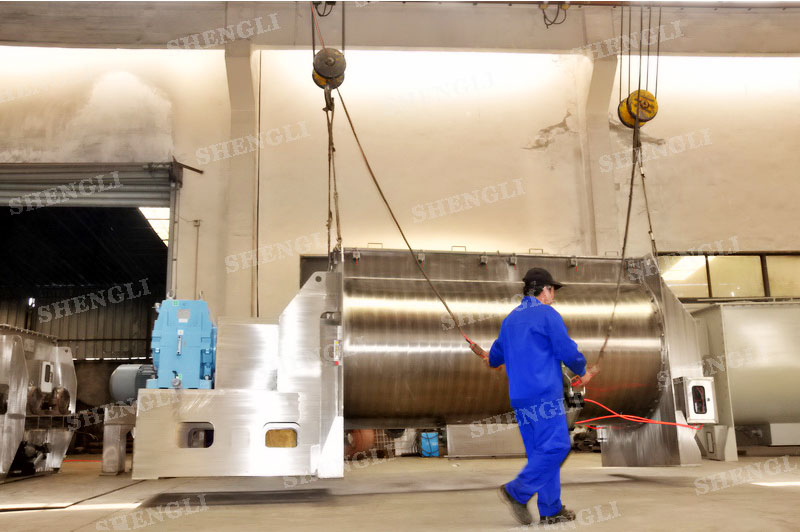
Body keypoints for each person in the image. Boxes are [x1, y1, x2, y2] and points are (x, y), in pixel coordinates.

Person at [470, 267, 588, 526]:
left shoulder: (510, 320)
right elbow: (567, 351)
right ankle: (517, 491)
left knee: (540, 454)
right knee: (557, 447)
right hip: (545, 395)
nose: (553, 297)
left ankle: (551, 509)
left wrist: (487, 356)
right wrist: (582, 369)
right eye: (553, 291)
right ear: (545, 290)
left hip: (520, 398)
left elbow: (495, 358)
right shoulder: (547, 314)